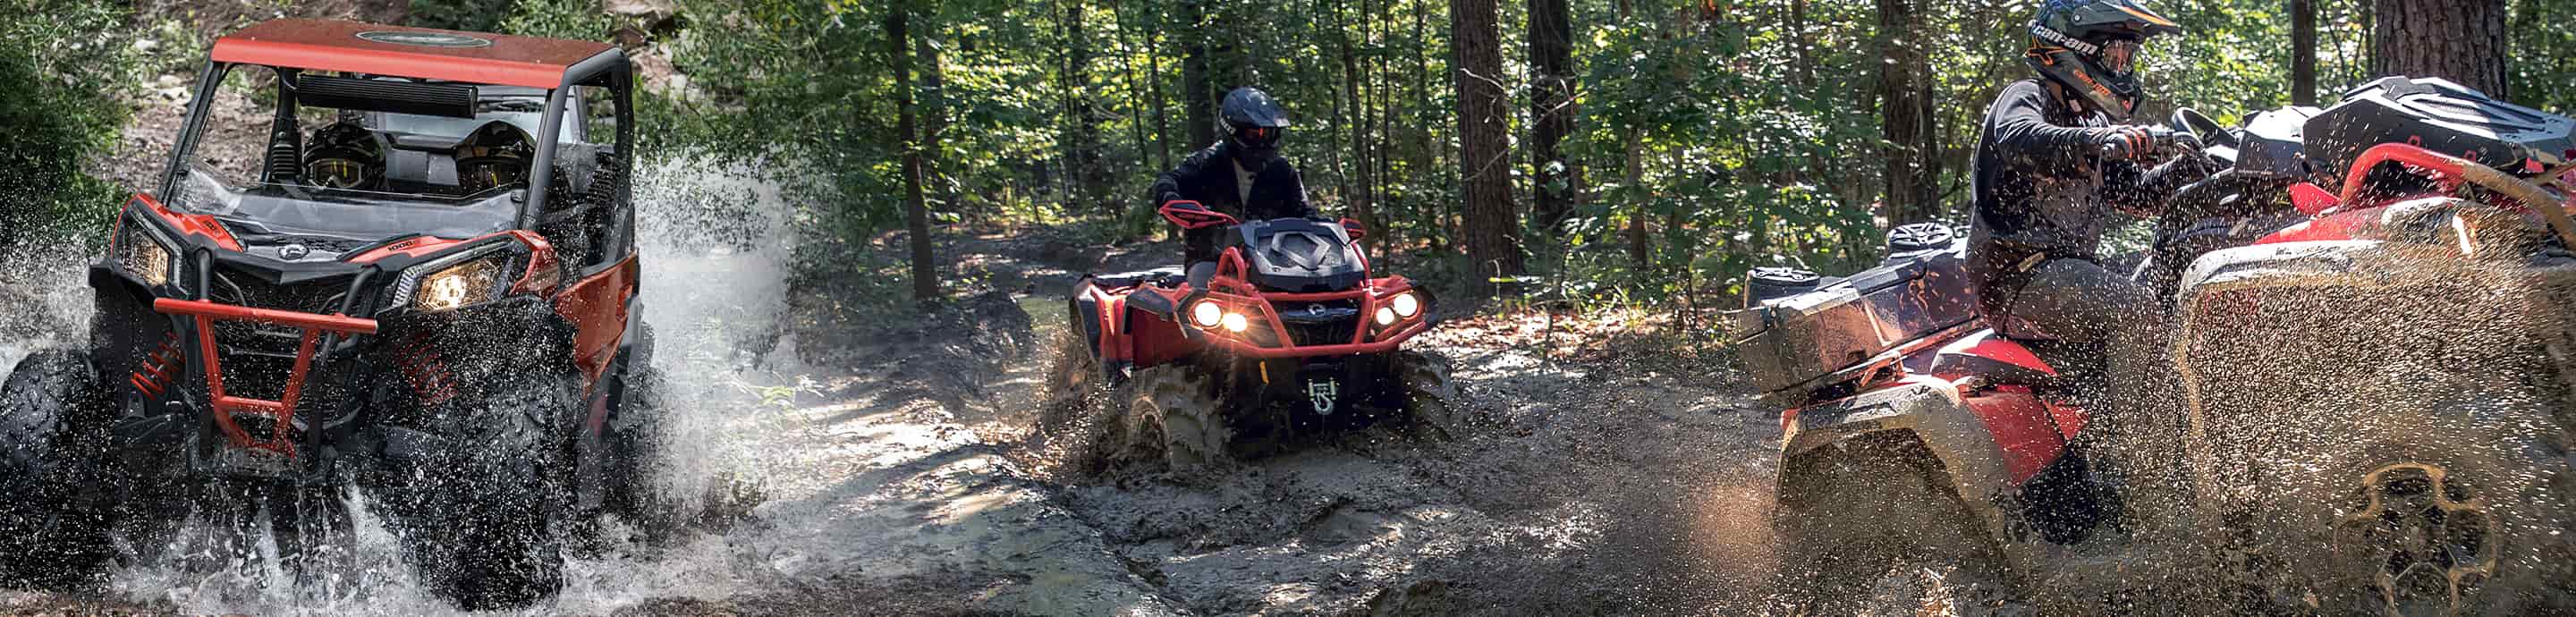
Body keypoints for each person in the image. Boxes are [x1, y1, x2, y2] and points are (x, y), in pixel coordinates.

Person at [1968, 0, 2207, 357]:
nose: (2122, 68)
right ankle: (2145, 415)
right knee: (2134, 309)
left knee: (2173, 277)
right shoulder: (2024, 98)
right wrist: (2100, 143)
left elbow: (2135, 194)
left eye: (2127, 58)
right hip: (2015, 277)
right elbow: (2022, 140)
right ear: (2076, 52)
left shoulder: (2092, 123)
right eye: (2116, 57)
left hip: (2068, 268)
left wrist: (2190, 169)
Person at [1151, 87, 1318, 289]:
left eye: (1271, 133)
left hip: (1276, 262)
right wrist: (1171, 198)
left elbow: (1303, 211)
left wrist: (1324, 225)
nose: (1264, 139)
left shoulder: (1282, 171)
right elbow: (1168, 180)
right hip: (1214, 260)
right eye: (1255, 133)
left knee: (1320, 288)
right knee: (1204, 286)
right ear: (1232, 130)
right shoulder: (1205, 163)